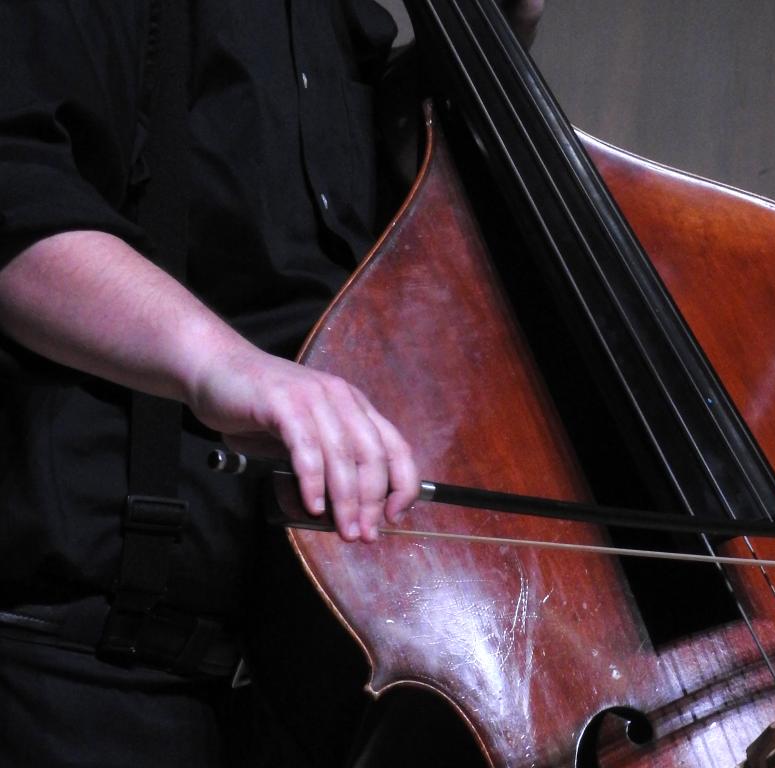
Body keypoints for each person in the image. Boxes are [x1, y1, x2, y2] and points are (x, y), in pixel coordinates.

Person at [0, 1, 542, 765]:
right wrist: (227, 364)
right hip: (79, 665)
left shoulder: (337, 26)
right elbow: (16, 189)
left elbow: (392, 222)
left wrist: (494, 26)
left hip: (282, 678)